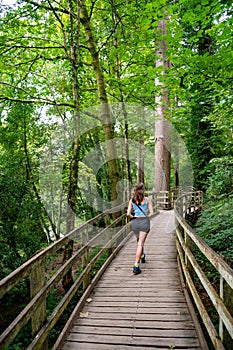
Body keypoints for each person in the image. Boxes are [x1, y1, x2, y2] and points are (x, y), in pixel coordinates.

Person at [127, 183, 154, 275]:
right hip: (144, 222)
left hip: (135, 222)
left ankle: (142, 255)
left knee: (139, 242)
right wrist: (146, 217)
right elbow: (151, 213)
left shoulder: (132, 201)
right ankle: (136, 266)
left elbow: (128, 214)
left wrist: (134, 216)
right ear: (143, 190)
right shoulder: (147, 200)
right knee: (140, 243)